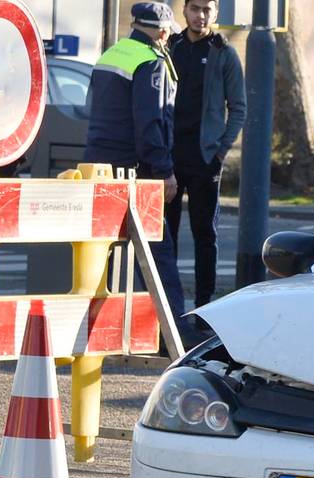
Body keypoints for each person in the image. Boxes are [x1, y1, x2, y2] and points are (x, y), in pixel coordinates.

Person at [84, 2, 186, 332]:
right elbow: (150, 123)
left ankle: (96, 329)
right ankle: (171, 331)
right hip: (134, 171)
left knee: (100, 253)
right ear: (161, 31)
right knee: (158, 254)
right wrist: (163, 171)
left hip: (98, 166)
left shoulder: (111, 54)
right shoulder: (151, 62)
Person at [168, 0, 245, 313]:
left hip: (204, 159)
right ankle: (168, 309)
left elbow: (238, 107)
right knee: (164, 237)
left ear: (215, 13)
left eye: (207, 10)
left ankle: (203, 308)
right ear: (184, 11)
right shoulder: (170, 47)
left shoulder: (224, 52)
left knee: (205, 235)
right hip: (169, 159)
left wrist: (221, 150)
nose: (201, 15)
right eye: (195, 8)